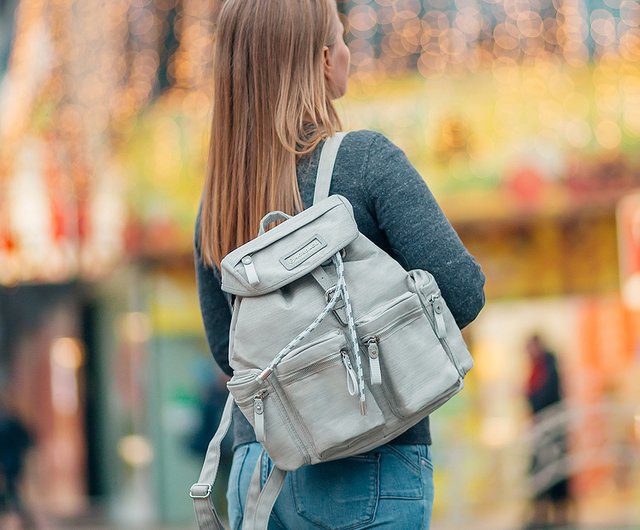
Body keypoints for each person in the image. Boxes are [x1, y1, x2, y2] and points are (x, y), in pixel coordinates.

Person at [193, 1, 485, 528]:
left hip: (257, 472)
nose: (348, 51)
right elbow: (462, 293)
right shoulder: (365, 161)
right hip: (367, 463)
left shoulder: (217, 204)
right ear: (323, 60)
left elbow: (228, 352)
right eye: (342, 38)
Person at [524, 335, 572, 529]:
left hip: (552, 432)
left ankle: (555, 514)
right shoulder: (540, 368)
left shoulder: (547, 368)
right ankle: (543, 513)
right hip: (544, 431)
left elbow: (544, 398)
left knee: (554, 472)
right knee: (543, 472)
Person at [0, 394, 34, 529]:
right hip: (14, 464)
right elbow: (28, 441)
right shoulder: (13, 421)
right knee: (13, 492)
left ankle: (18, 519)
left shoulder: (8, 423)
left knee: (12, 493)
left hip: (8, 465)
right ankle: (19, 518)